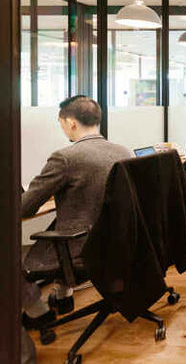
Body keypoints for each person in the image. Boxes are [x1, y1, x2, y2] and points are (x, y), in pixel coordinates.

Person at [20, 95, 131, 329]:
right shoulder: (123, 151)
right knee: (61, 226)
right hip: (117, 242)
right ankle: (63, 297)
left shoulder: (65, 158)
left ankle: (38, 313)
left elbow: (25, 207)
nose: (62, 128)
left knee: (16, 262)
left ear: (71, 123)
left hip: (82, 247)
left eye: (61, 123)